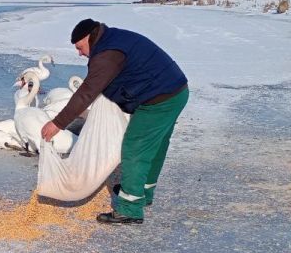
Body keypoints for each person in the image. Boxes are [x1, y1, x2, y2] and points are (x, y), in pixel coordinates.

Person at [41, 18, 188, 225]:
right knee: (154, 146)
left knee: (134, 147)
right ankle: (141, 193)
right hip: (175, 90)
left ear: (88, 38)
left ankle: (130, 208)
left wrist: (57, 124)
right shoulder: (112, 38)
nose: (80, 53)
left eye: (80, 47)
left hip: (160, 99)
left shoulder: (106, 55)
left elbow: (86, 93)